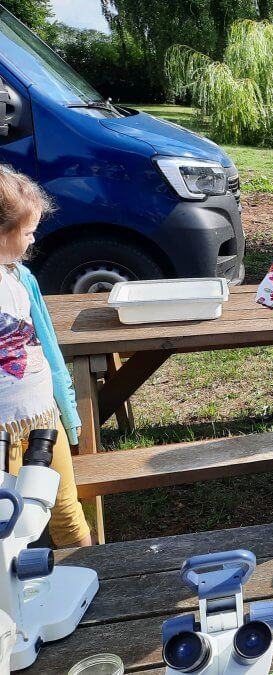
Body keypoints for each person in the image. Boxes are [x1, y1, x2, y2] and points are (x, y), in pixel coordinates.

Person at [0, 169, 91, 547]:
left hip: (41, 421)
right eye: (27, 231)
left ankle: (96, 583)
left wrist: (67, 410)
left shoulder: (21, 280)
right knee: (9, 528)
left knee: (67, 511)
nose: (34, 239)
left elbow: (48, 348)